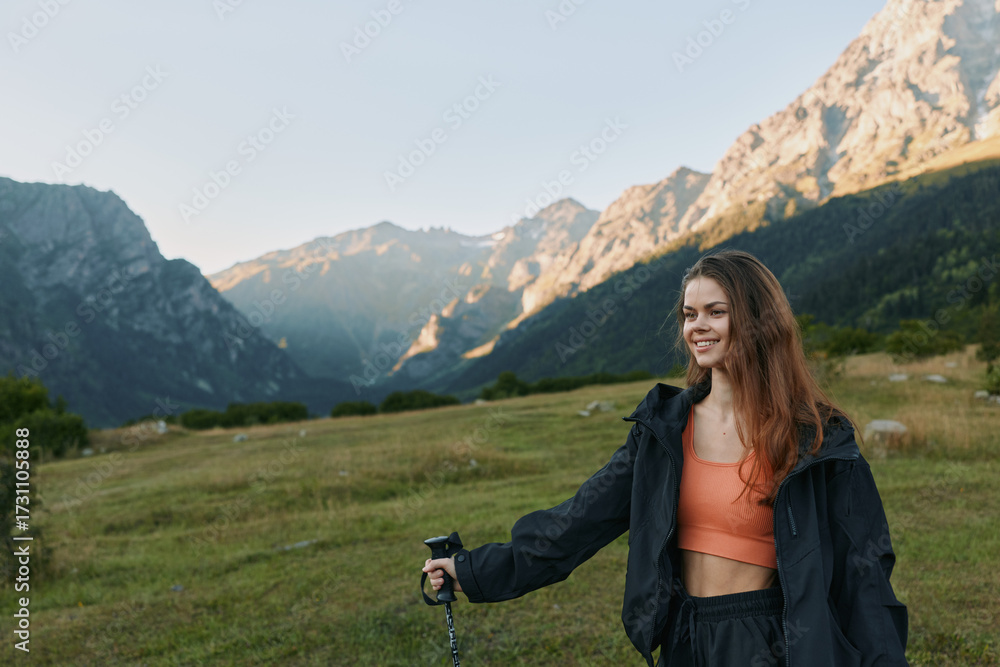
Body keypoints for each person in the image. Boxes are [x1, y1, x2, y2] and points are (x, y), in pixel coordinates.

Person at [422, 249, 908, 666]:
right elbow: (577, 522)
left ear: (758, 320)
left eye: (715, 312)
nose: (698, 326)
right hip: (684, 632)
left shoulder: (816, 437)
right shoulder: (664, 429)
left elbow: (863, 572)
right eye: (689, 313)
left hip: (770, 635)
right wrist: (478, 570)